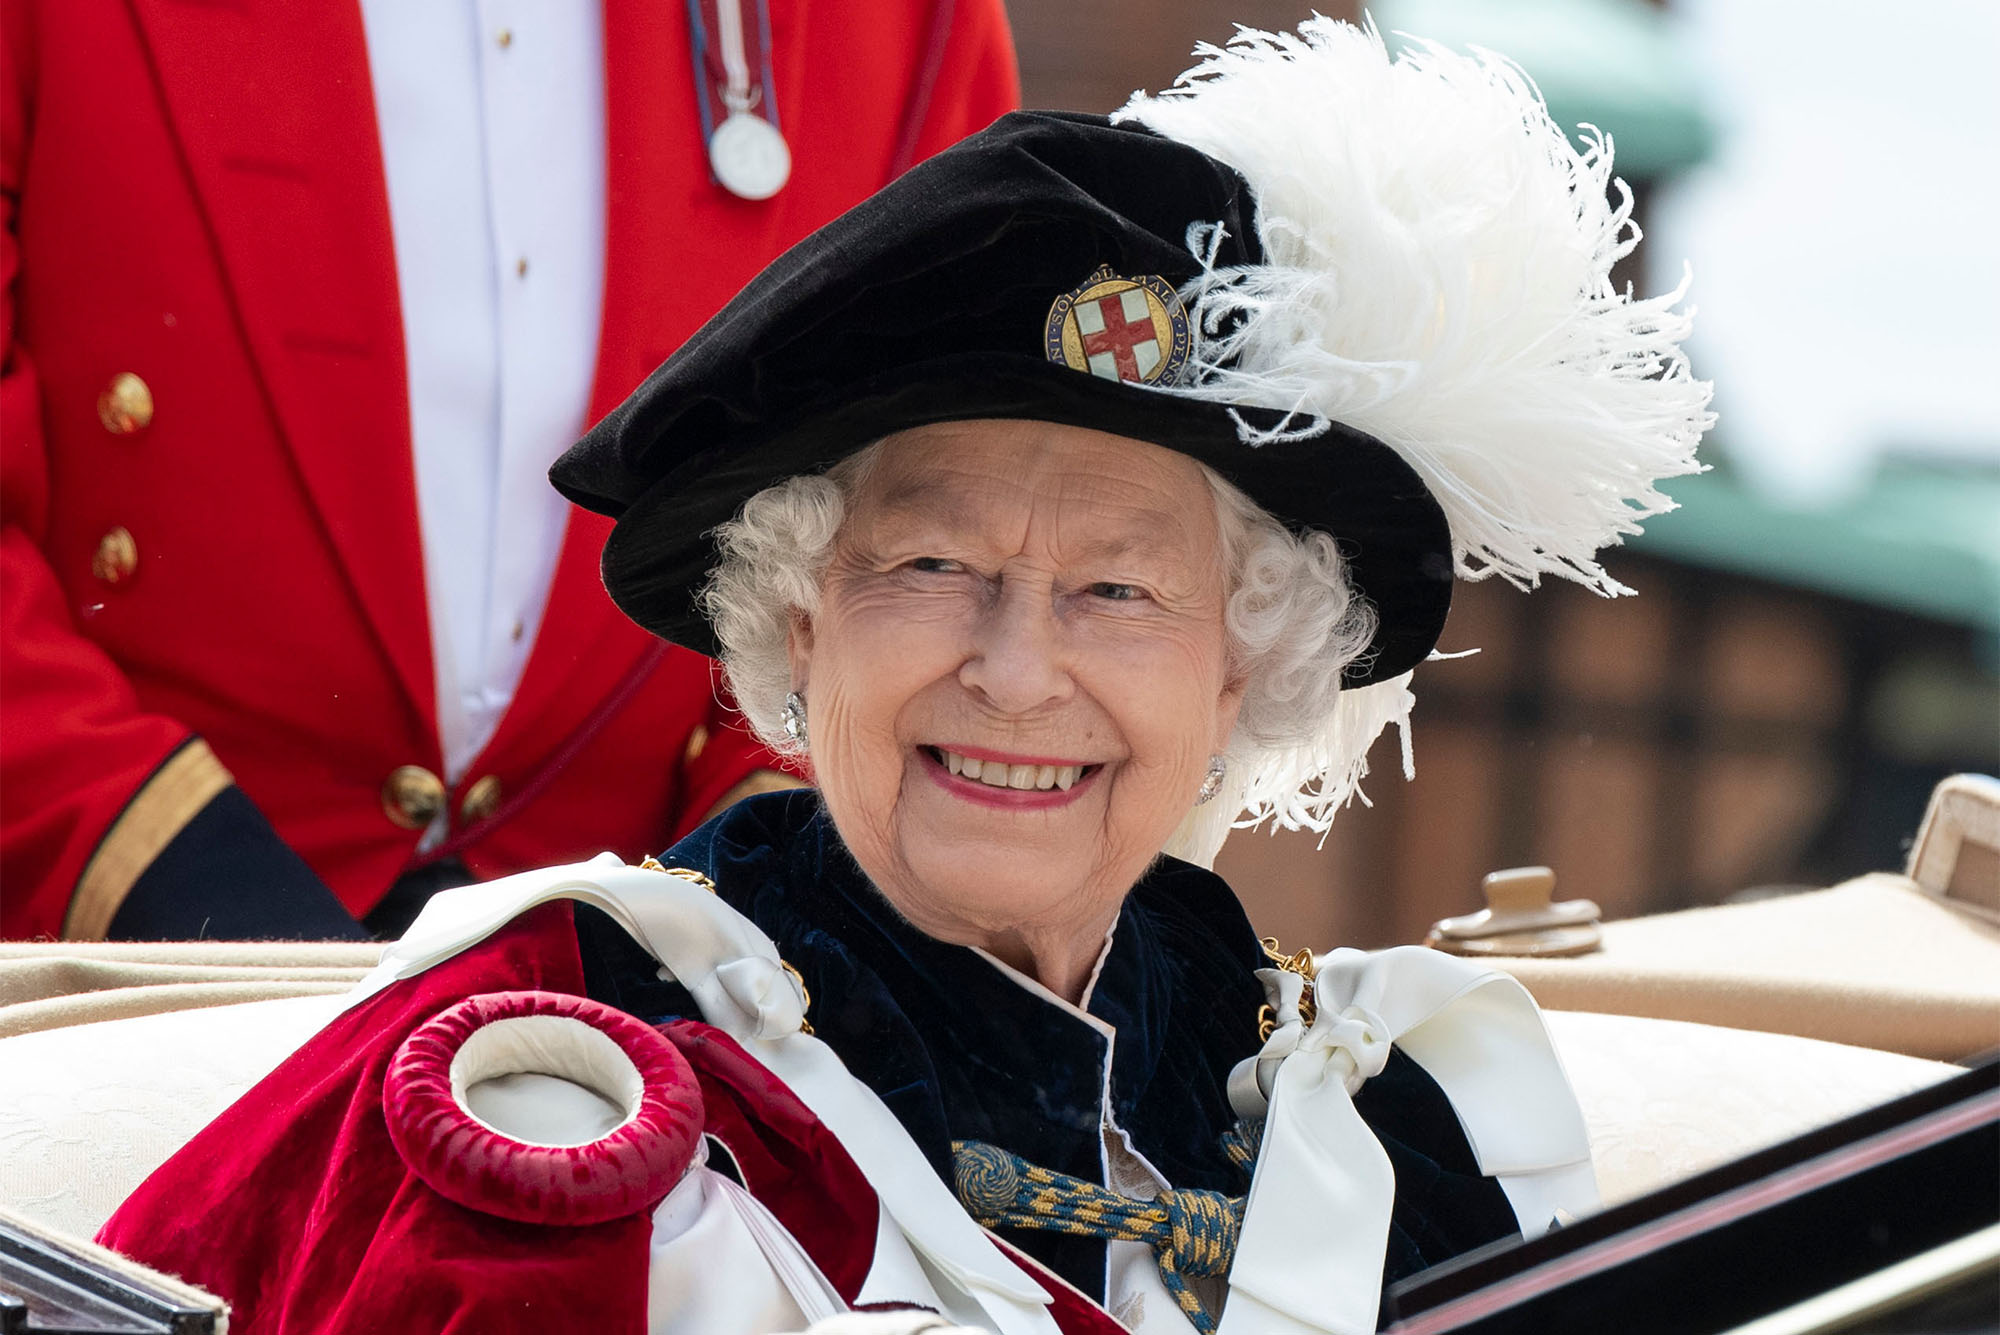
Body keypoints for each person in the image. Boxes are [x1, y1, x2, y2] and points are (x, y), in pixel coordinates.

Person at [97, 19, 1711, 1335]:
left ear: (1241, 674)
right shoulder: (569, 1104)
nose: (1017, 674)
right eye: (934, 568)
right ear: (796, 628)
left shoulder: (1396, 1132)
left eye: (1119, 591)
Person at [0, 0, 1018, 941]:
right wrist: (183, 893)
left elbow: (933, 497)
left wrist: (752, 905)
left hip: (668, 976)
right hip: (133, 963)